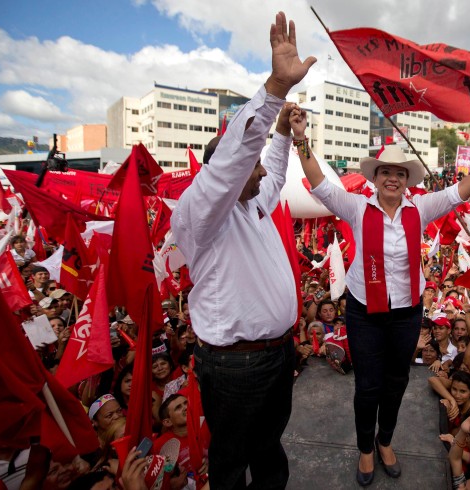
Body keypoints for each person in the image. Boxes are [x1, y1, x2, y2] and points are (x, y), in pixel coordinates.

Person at [291, 104, 470, 486]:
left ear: (406, 180)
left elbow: (461, 190)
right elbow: (318, 182)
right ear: (376, 177)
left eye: (398, 173)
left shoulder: (420, 208)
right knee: (367, 385)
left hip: (405, 314)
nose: (391, 178)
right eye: (385, 171)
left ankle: (386, 440)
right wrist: (301, 140)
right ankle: (366, 449)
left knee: (396, 382)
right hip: (363, 312)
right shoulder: (355, 206)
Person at [170, 11, 315, 489]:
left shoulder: (252, 205)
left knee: (268, 453)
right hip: (237, 367)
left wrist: (282, 132)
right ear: (227, 175)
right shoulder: (202, 213)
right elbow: (237, 158)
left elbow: (271, 170)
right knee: (232, 463)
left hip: (274, 357)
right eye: (246, 167)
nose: (259, 174)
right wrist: (275, 87)